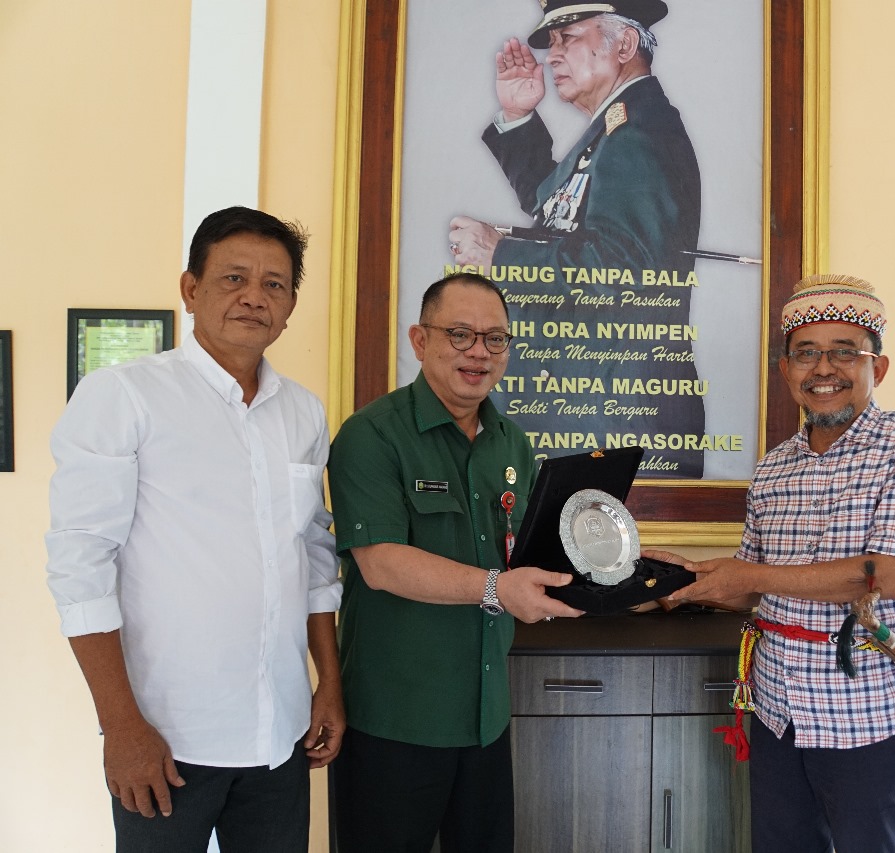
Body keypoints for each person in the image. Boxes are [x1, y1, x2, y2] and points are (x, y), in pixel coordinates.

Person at [45, 206, 344, 852]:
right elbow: (80, 569)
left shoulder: (303, 412)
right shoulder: (123, 397)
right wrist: (121, 726)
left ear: (291, 304)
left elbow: (316, 561)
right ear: (190, 289)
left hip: (280, 733)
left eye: (274, 284)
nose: (253, 297)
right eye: (233, 277)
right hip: (166, 739)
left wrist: (329, 687)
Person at [657, 273, 895, 853]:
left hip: (866, 717)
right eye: (806, 354)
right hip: (776, 712)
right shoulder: (773, 468)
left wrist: (748, 576)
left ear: (879, 367)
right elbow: (747, 588)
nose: (824, 369)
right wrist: (679, 580)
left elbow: (889, 576)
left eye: (845, 352)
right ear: (786, 370)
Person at [327, 271, 583, 852]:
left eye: (495, 339)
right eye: (460, 334)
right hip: (396, 718)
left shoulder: (512, 443)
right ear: (419, 341)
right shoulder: (372, 436)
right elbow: (381, 564)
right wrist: (498, 588)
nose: (479, 353)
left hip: (485, 717)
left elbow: (528, 554)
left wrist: (623, 573)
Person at [449, 0, 705, 477]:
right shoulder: (619, 125)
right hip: (596, 415)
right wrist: (518, 115)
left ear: (624, 45)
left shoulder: (638, 135)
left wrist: (500, 254)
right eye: (553, 43)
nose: (552, 56)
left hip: (613, 422)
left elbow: (627, 269)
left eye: (570, 39)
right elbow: (561, 211)